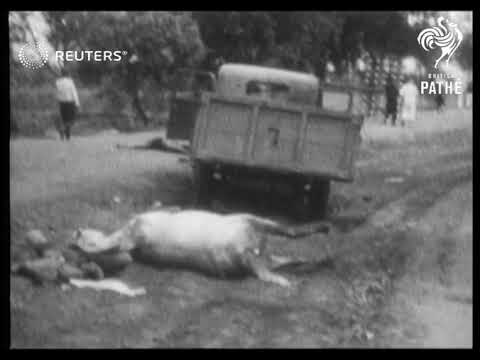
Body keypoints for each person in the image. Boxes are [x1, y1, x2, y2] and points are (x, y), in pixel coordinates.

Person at [55, 67, 80, 140]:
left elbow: (57, 93)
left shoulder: (57, 82)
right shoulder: (70, 82)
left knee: (64, 118)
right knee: (71, 119)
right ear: (68, 74)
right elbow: (74, 92)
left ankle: (63, 131)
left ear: (61, 74)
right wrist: (77, 103)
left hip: (61, 102)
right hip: (70, 102)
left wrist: (57, 101)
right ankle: (66, 132)